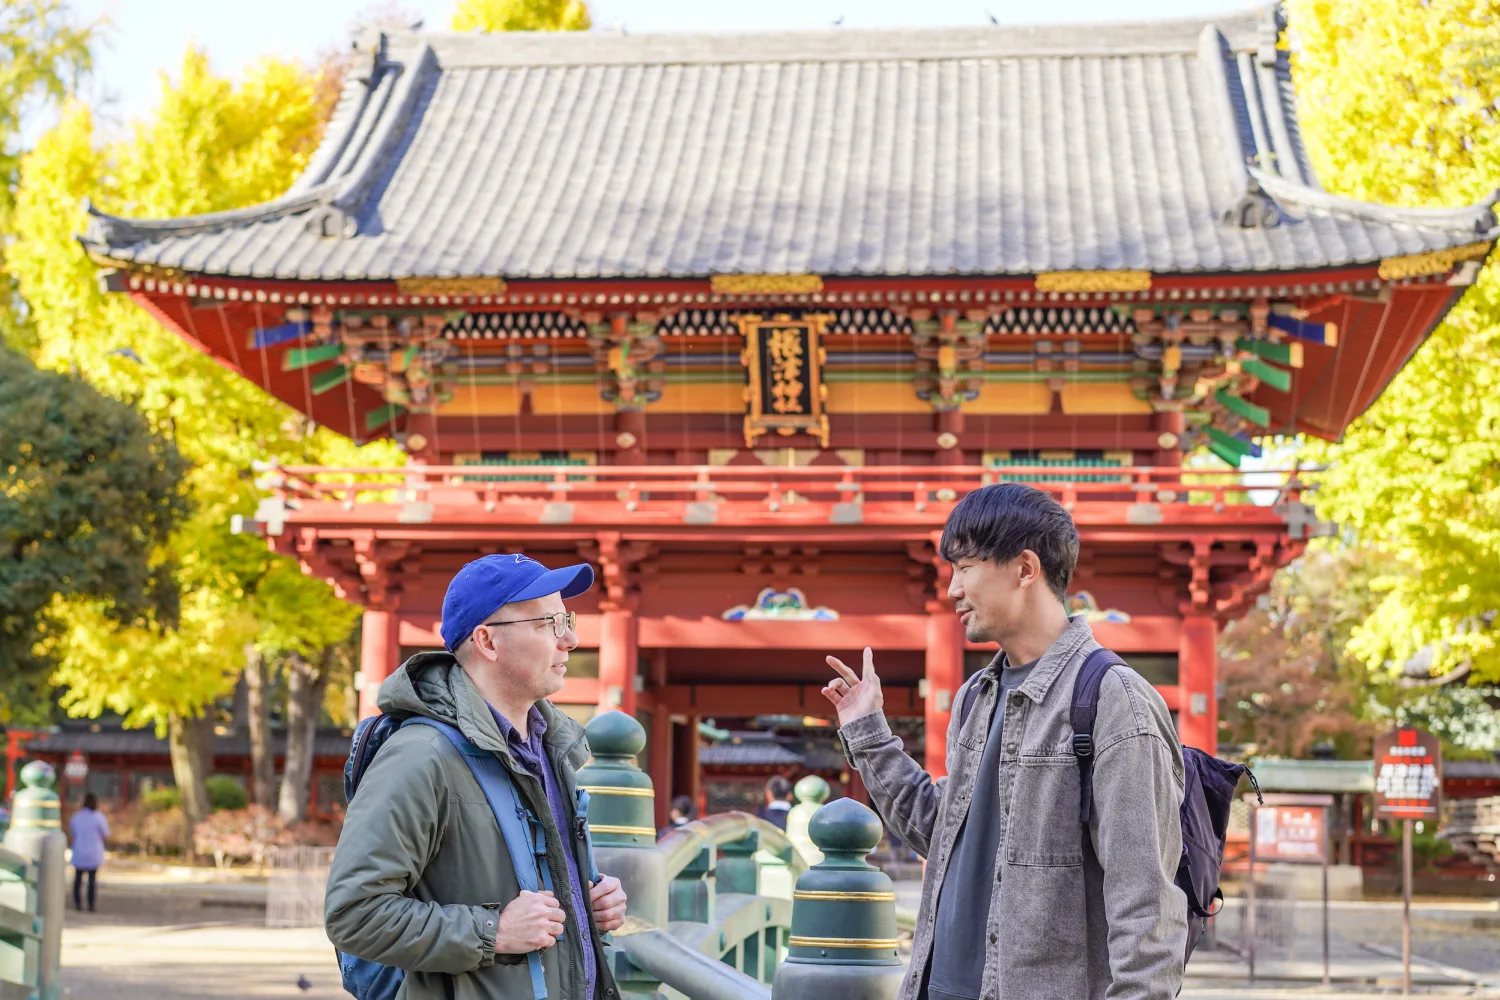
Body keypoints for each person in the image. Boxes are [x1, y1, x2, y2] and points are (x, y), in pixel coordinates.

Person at [822, 483, 1187, 1000]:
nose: (952, 589)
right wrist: (869, 731)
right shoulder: (977, 696)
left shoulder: (1113, 701)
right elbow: (943, 833)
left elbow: (1146, 907)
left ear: (1024, 568)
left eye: (965, 568)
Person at [326, 553, 628, 1000]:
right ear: (487, 641)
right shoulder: (421, 757)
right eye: (549, 623)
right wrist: (495, 931)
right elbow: (354, 914)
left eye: (568, 618)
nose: (571, 639)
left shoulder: (550, 748)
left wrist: (588, 905)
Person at [68, 793, 109, 912]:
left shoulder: (77, 817)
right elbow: (105, 833)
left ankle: (77, 903)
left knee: (78, 879)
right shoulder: (98, 817)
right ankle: (91, 904)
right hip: (93, 852)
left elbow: (72, 832)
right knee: (92, 880)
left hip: (79, 850)